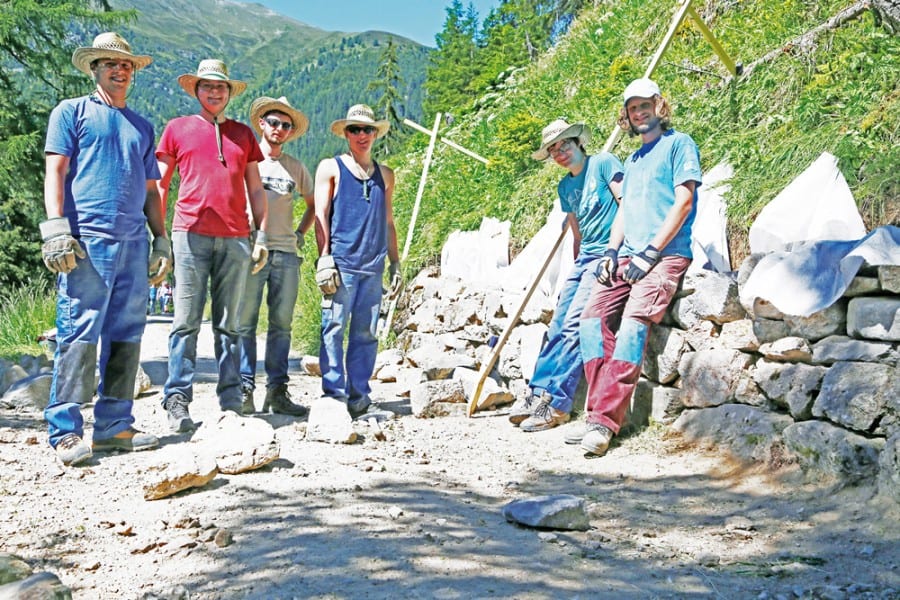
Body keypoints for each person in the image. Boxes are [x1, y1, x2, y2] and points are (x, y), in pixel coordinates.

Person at [40, 32, 170, 466]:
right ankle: (64, 429)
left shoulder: (141, 126)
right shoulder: (71, 112)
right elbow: (55, 171)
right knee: (79, 332)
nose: (120, 70)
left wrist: (161, 239)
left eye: (126, 65)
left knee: (127, 335)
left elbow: (153, 191)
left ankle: (115, 426)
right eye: (110, 64)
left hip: (134, 241)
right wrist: (56, 228)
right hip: (86, 242)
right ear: (94, 69)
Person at [577, 77, 702, 457]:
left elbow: (683, 202)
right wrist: (612, 252)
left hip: (665, 256)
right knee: (589, 321)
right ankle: (603, 409)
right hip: (629, 255)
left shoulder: (679, 144)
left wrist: (651, 252)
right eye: (632, 108)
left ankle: (602, 422)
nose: (639, 112)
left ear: (659, 106)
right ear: (627, 117)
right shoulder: (632, 160)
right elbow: (625, 210)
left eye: (645, 104)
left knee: (632, 325)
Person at [156, 59, 268, 432]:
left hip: (237, 238)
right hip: (188, 235)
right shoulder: (177, 129)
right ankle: (177, 400)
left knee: (229, 324)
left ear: (229, 92)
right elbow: (161, 183)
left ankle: (231, 401)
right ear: (196, 90)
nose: (215, 92)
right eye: (207, 86)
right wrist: (158, 237)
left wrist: (261, 235)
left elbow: (255, 187)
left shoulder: (244, 135)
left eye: (221, 87)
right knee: (185, 321)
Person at [509, 119, 622, 432]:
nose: (559, 152)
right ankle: (537, 392)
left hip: (607, 255)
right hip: (585, 258)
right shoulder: (565, 187)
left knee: (575, 325)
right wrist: (574, 270)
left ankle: (557, 404)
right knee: (558, 324)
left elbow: (627, 205)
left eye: (564, 144)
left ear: (578, 141)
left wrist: (615, 253)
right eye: (553, 149)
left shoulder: (602, 164)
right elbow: (576, 229)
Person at [313, 104, 401, 417]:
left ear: (376, 133)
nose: (361, 135)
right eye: (354, 130)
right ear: (346, 134)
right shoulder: (331, 168)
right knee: (333, 328)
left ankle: (359, 396)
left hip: (373, 266)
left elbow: (388, 221)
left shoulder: (386, 175)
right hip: (342, 264)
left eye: (367, 130)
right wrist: (324, 258)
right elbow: (320, 214)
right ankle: (334, 395)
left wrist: (395, 263)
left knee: (365, 333)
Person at [237, 96, 315, 416]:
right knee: (245, 322)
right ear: (261, 124)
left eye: (285, 125)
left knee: (281, 325)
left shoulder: (295, 167)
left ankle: (277, 391)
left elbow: (314, 204)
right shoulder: (245, 160)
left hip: (285, 252)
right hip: (250, 250)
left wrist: (300, 233)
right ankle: (244, 389)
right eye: (274, 122)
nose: (279, 129)